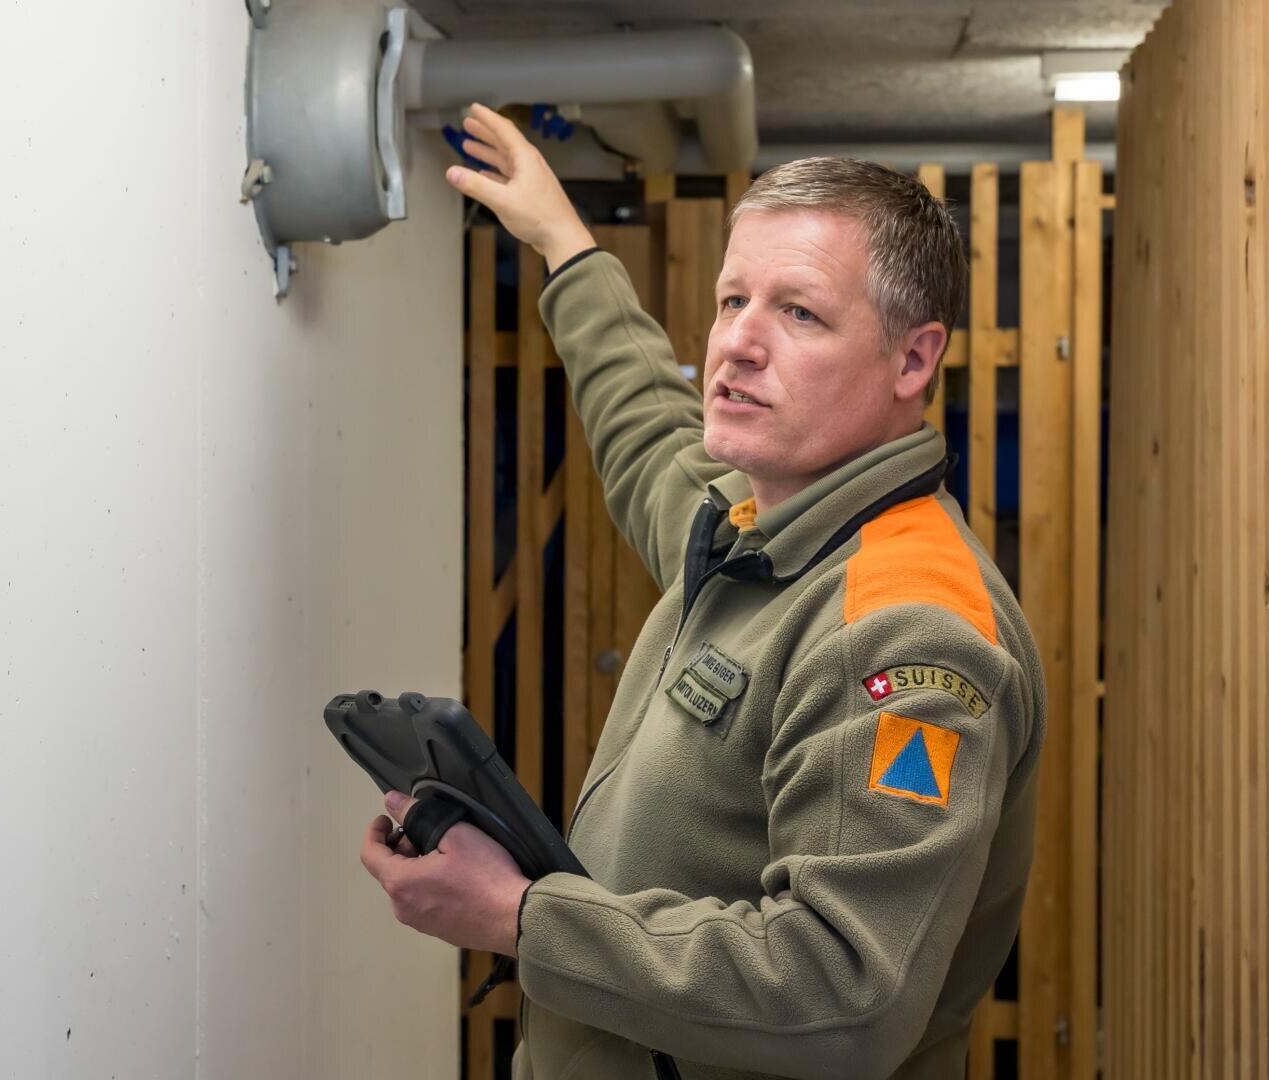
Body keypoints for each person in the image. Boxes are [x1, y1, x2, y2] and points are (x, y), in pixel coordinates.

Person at [359, 104, 1046, 1080]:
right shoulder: (757, 530)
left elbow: (842, 996)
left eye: (799, 313)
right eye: (733, 301)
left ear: (913, 359)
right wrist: (563, 244)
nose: (738, 345)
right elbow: (645, 427)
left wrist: (518, 915)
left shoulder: (904, 629)